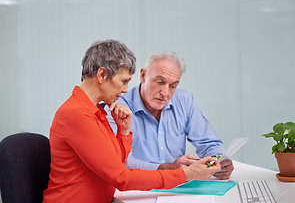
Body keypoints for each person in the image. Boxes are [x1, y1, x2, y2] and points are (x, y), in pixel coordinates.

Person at [42, 40, 220, 203]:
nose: (126, 90)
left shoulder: (97, 111)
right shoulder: (76, 115)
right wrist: (185, 174)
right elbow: (122, 178)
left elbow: (116, 165)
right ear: (102, 75)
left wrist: (123, 133)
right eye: (124, 81)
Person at [106, 51, 234, 180]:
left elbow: (208, 142)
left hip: (178, 187)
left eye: (173, 86)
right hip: (136, 188)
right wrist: (168, 169)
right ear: (143, 75)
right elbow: (121, 161)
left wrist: (218, 160)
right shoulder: (117, 107)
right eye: (160, 82)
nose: (165, 93)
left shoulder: (184, 100)